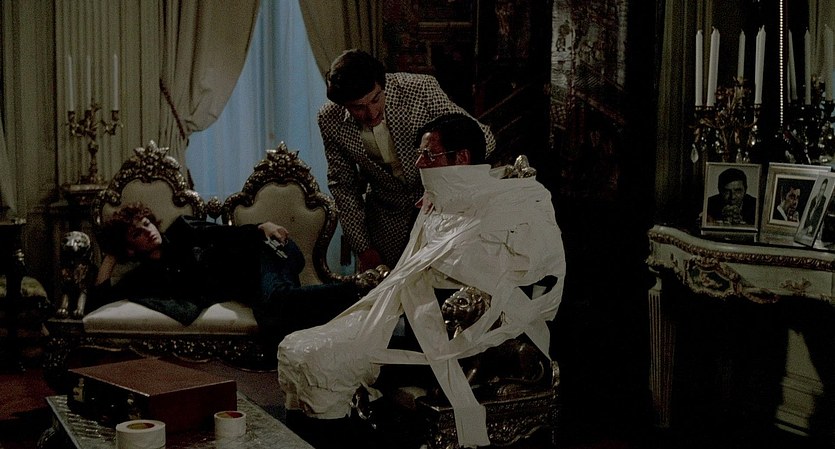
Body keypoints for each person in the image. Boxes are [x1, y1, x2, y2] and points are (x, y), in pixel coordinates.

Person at [279, 114, 565, 447]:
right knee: (296, 349)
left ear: (461, 158)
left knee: (321, 362)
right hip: (405, 310)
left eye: (429, 155)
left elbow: (522, 287)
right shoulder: (443, 201)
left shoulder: (513, 205)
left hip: (446, 330)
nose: (418, 164)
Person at [91, 203, 380, 346]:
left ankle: (359, 287)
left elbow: (223, 234)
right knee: (274, 318)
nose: (147, 231)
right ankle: (361, 295)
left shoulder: (182, 230)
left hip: (265, 249)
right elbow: (100, 300)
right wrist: (111, 256)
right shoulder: (145, 277)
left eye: (146, 223)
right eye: (136, 233)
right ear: (130, 248)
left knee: (277, 300)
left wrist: (262, 226)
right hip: (252, 281)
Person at [318, 49, 496, 272]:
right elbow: (343, 186)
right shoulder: (330, 119)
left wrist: (442, 184)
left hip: (445, 214)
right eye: (358, 107)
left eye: (376, 99)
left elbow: (485, 139)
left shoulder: (420, 90)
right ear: (344, 104)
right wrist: (363, 248)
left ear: (383, 85)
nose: (371, 113)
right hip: (386, 222)